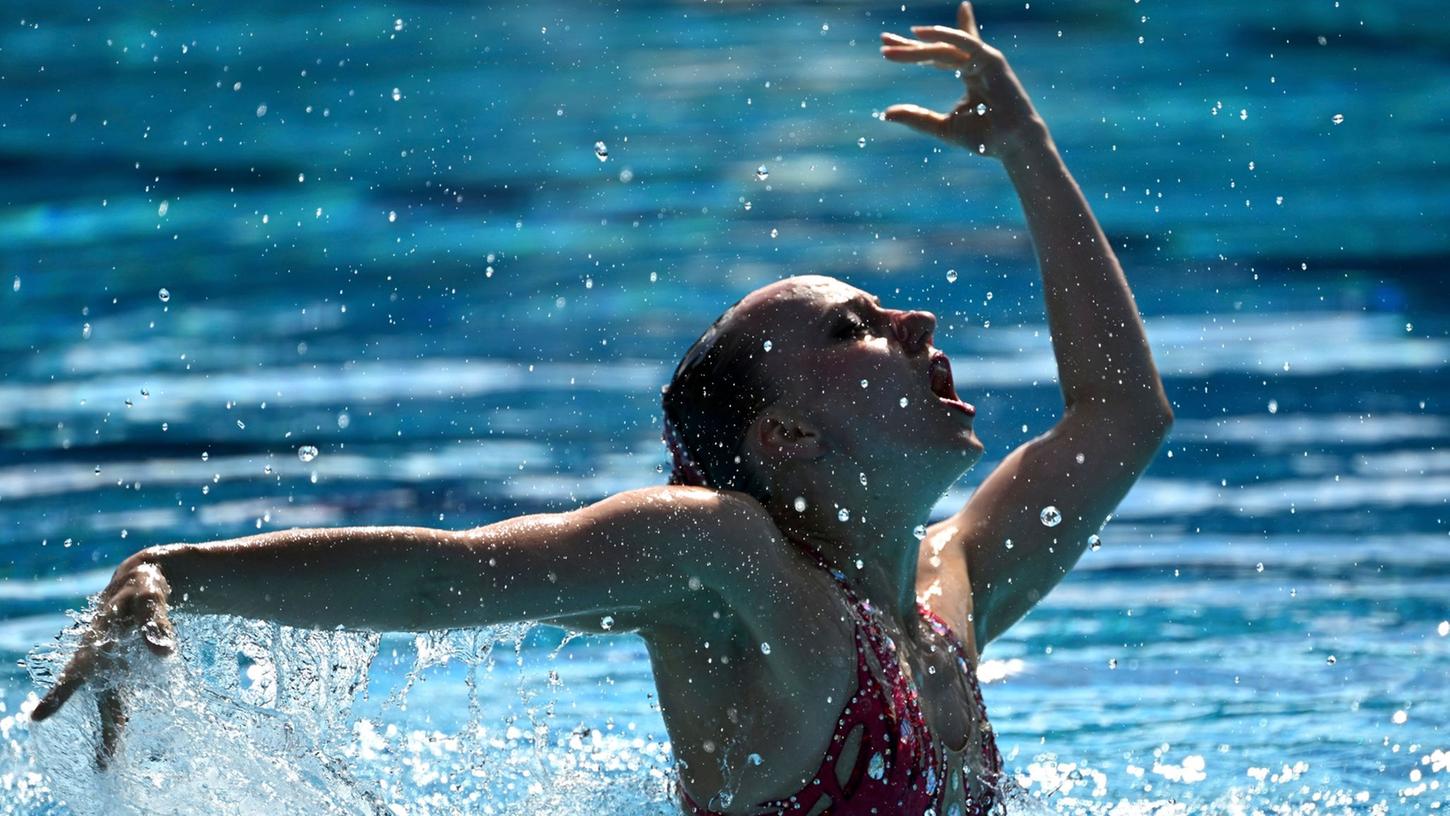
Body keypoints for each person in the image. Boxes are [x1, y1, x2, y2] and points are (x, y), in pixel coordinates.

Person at [31, 4, 1173, 814]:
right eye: (852, 328)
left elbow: (1123, 417)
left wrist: (1025, 146)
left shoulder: (944, 599)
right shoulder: (728, 563)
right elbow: (456, 575)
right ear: (781, 439)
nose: (913, 327)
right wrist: (182, 572)